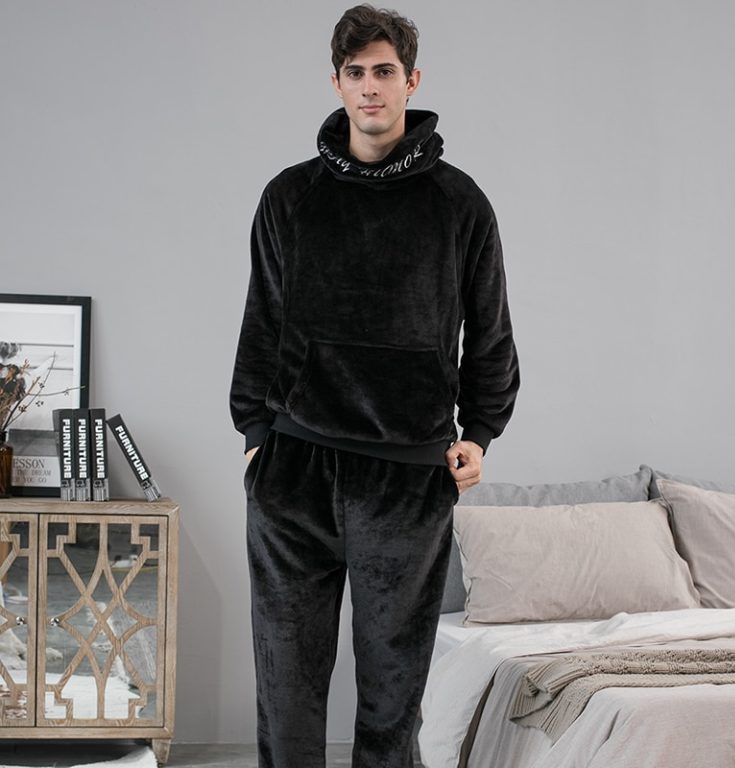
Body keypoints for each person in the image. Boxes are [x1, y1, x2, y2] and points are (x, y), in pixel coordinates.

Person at [230, 5, 520, 766]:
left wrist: (479, 433)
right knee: (287, 694)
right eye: (355, 72)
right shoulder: (290, 197)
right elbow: (261, 323)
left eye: (384, 71)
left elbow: (490, 331)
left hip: (406, 478)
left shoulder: (459, 204)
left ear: (411, 80)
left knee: (392, 701)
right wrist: (256, 436)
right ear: (336, 82)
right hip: (295, 470)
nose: (370, 87)